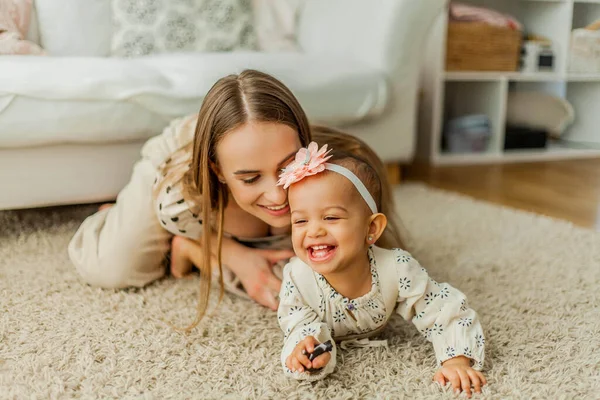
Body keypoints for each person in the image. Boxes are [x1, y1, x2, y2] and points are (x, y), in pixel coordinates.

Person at [68, 69, 403, 331]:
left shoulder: (346, 171)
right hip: (181, 161)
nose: (277, 194)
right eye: (250, 178)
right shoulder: (180, 194)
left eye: (287, 165)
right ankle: (129, 218)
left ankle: (183, 241)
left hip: (245, 145)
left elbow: (369, 267)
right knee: (114, 267)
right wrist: (229, 254)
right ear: (220, 172)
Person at [277, 142, 487, 398]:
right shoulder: (297, 278)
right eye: (300, 221)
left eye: (331, 217)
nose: (314, 231)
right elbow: (297, 322)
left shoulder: (396, 269)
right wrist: (308, 349)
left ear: (372, 229)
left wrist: (456, 360)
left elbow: (443, 310)